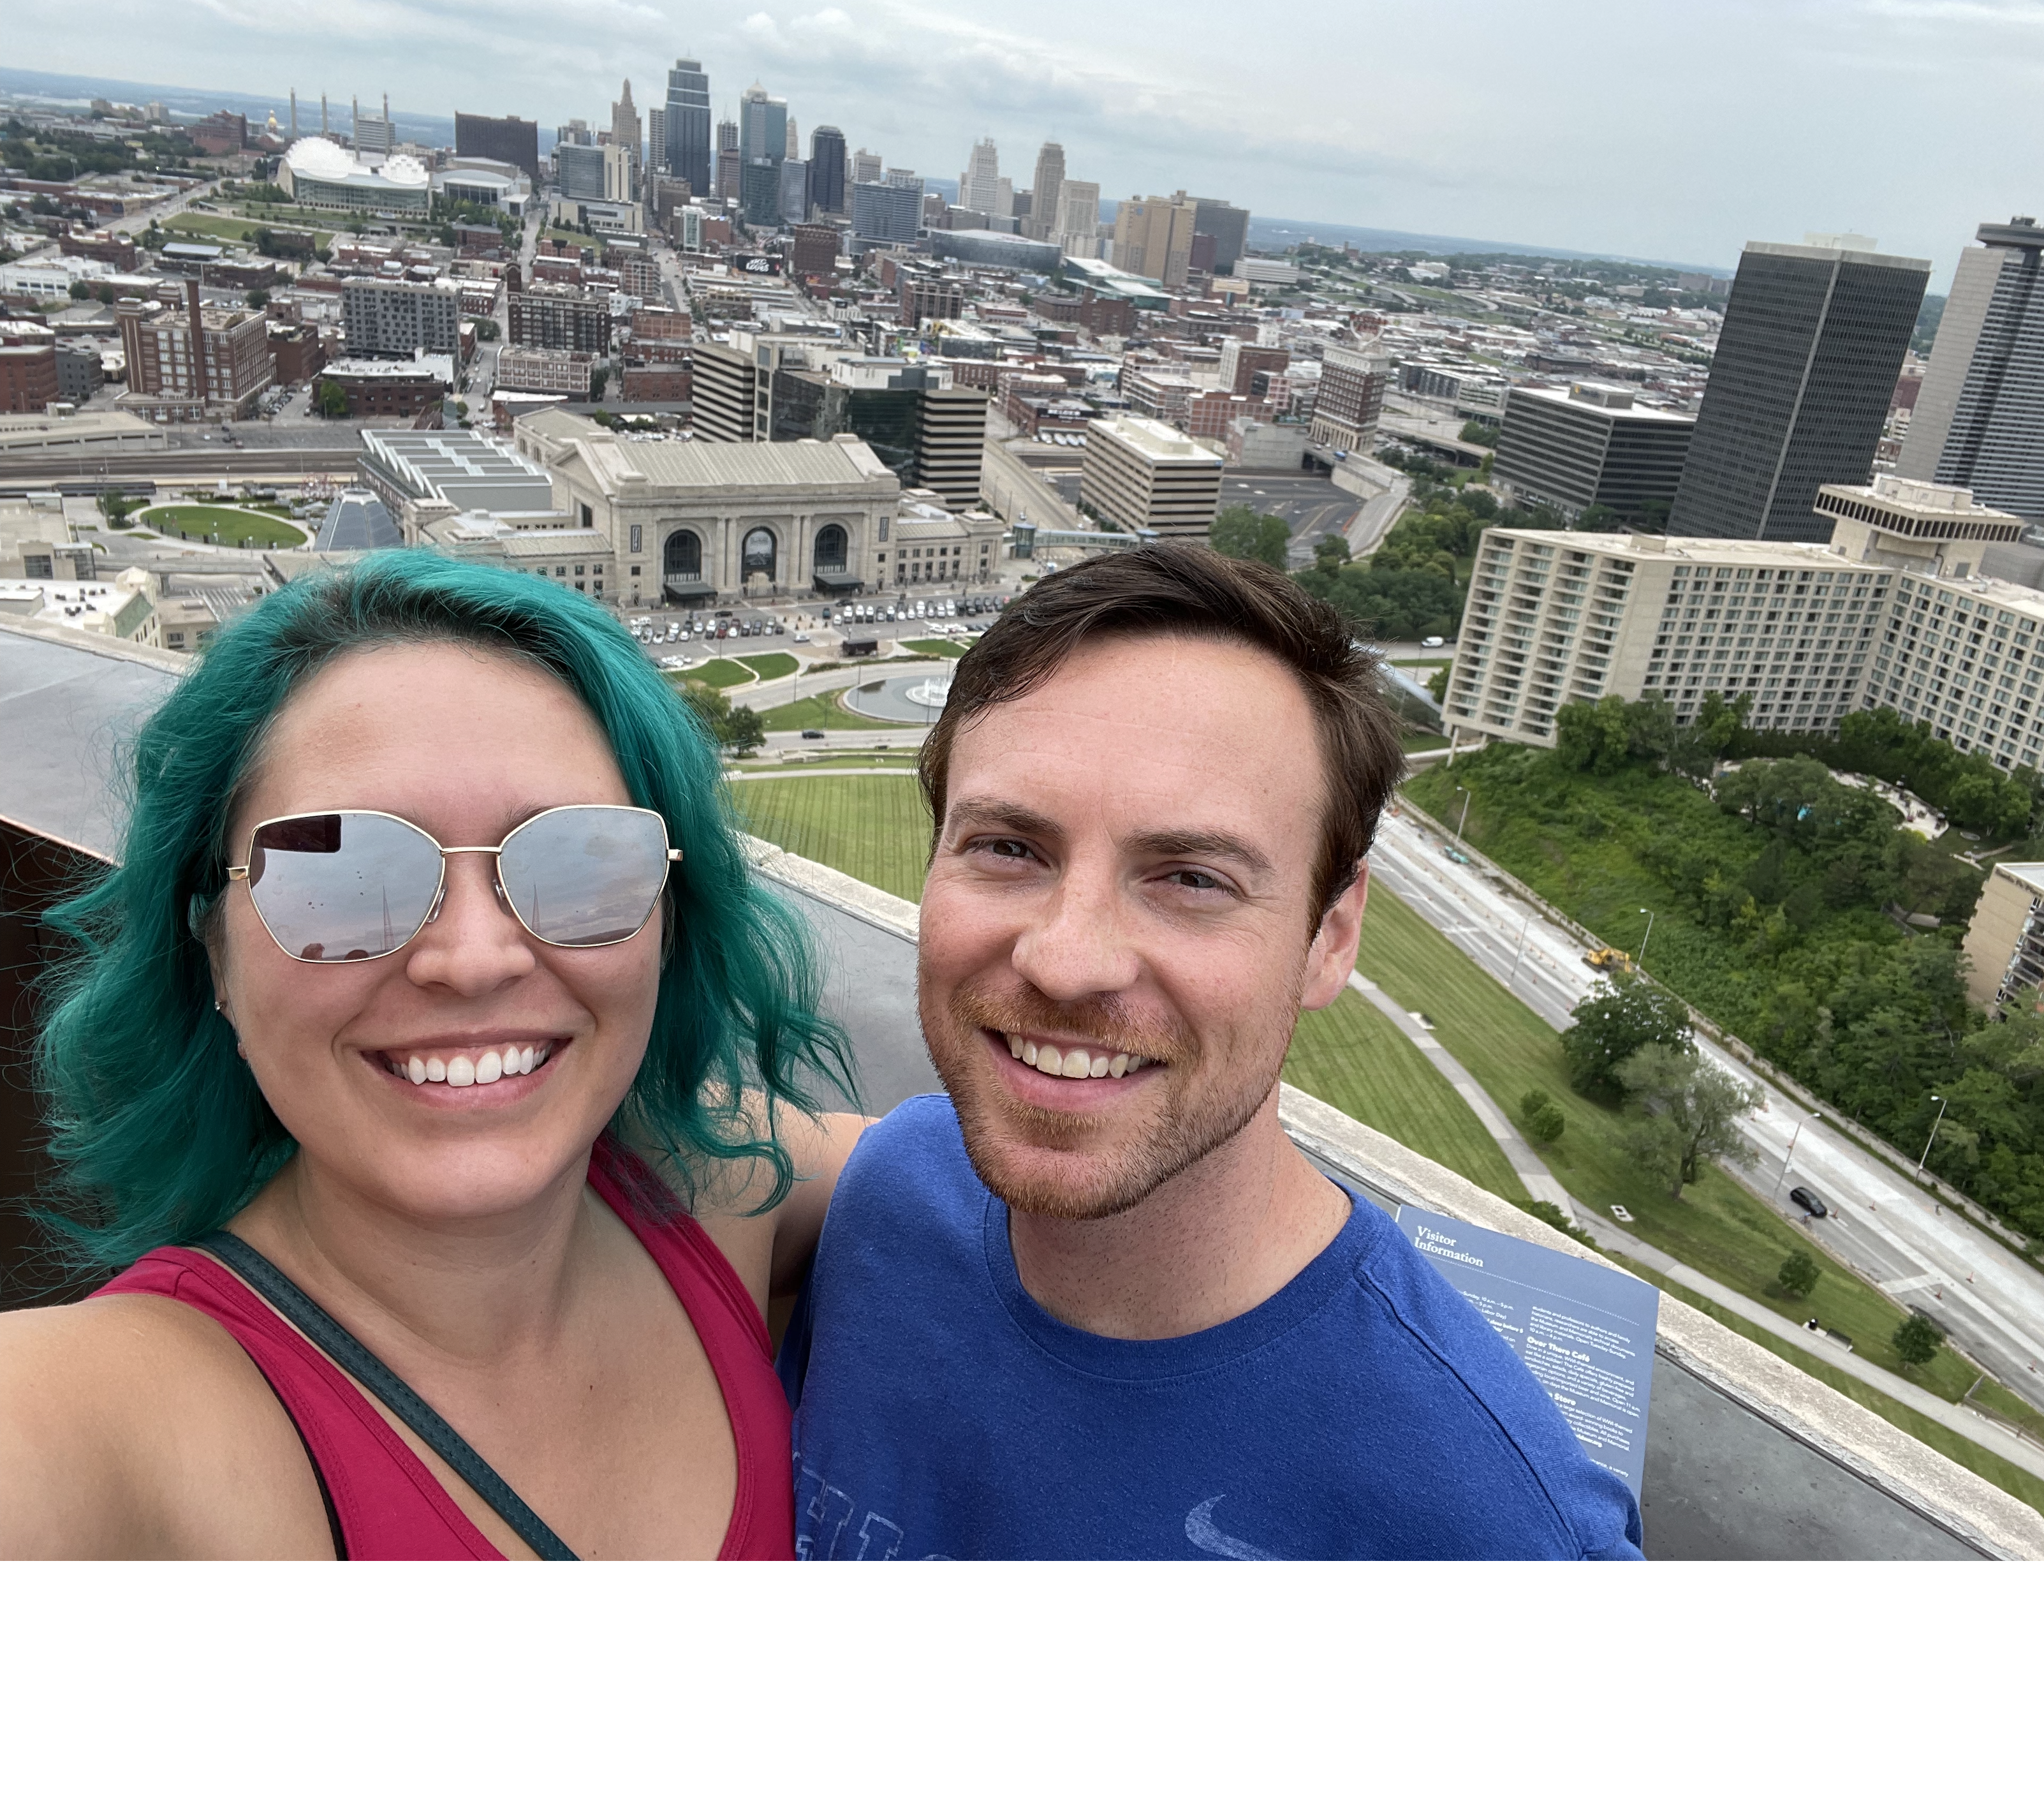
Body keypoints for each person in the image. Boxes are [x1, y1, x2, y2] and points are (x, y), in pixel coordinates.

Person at [783, 543, 1642, 1560]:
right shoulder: (883, 1200)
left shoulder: (1497, 1527)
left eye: (1191, 877)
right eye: (1008, 847)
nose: (1066, 960)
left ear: (1330, 936)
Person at [0, 551, 861, 1559]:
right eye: (341, 873)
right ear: (214, 958)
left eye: (580, 859)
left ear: (670, 921)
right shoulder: (96, 1420)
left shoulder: (717, 1184)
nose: (472, 958)